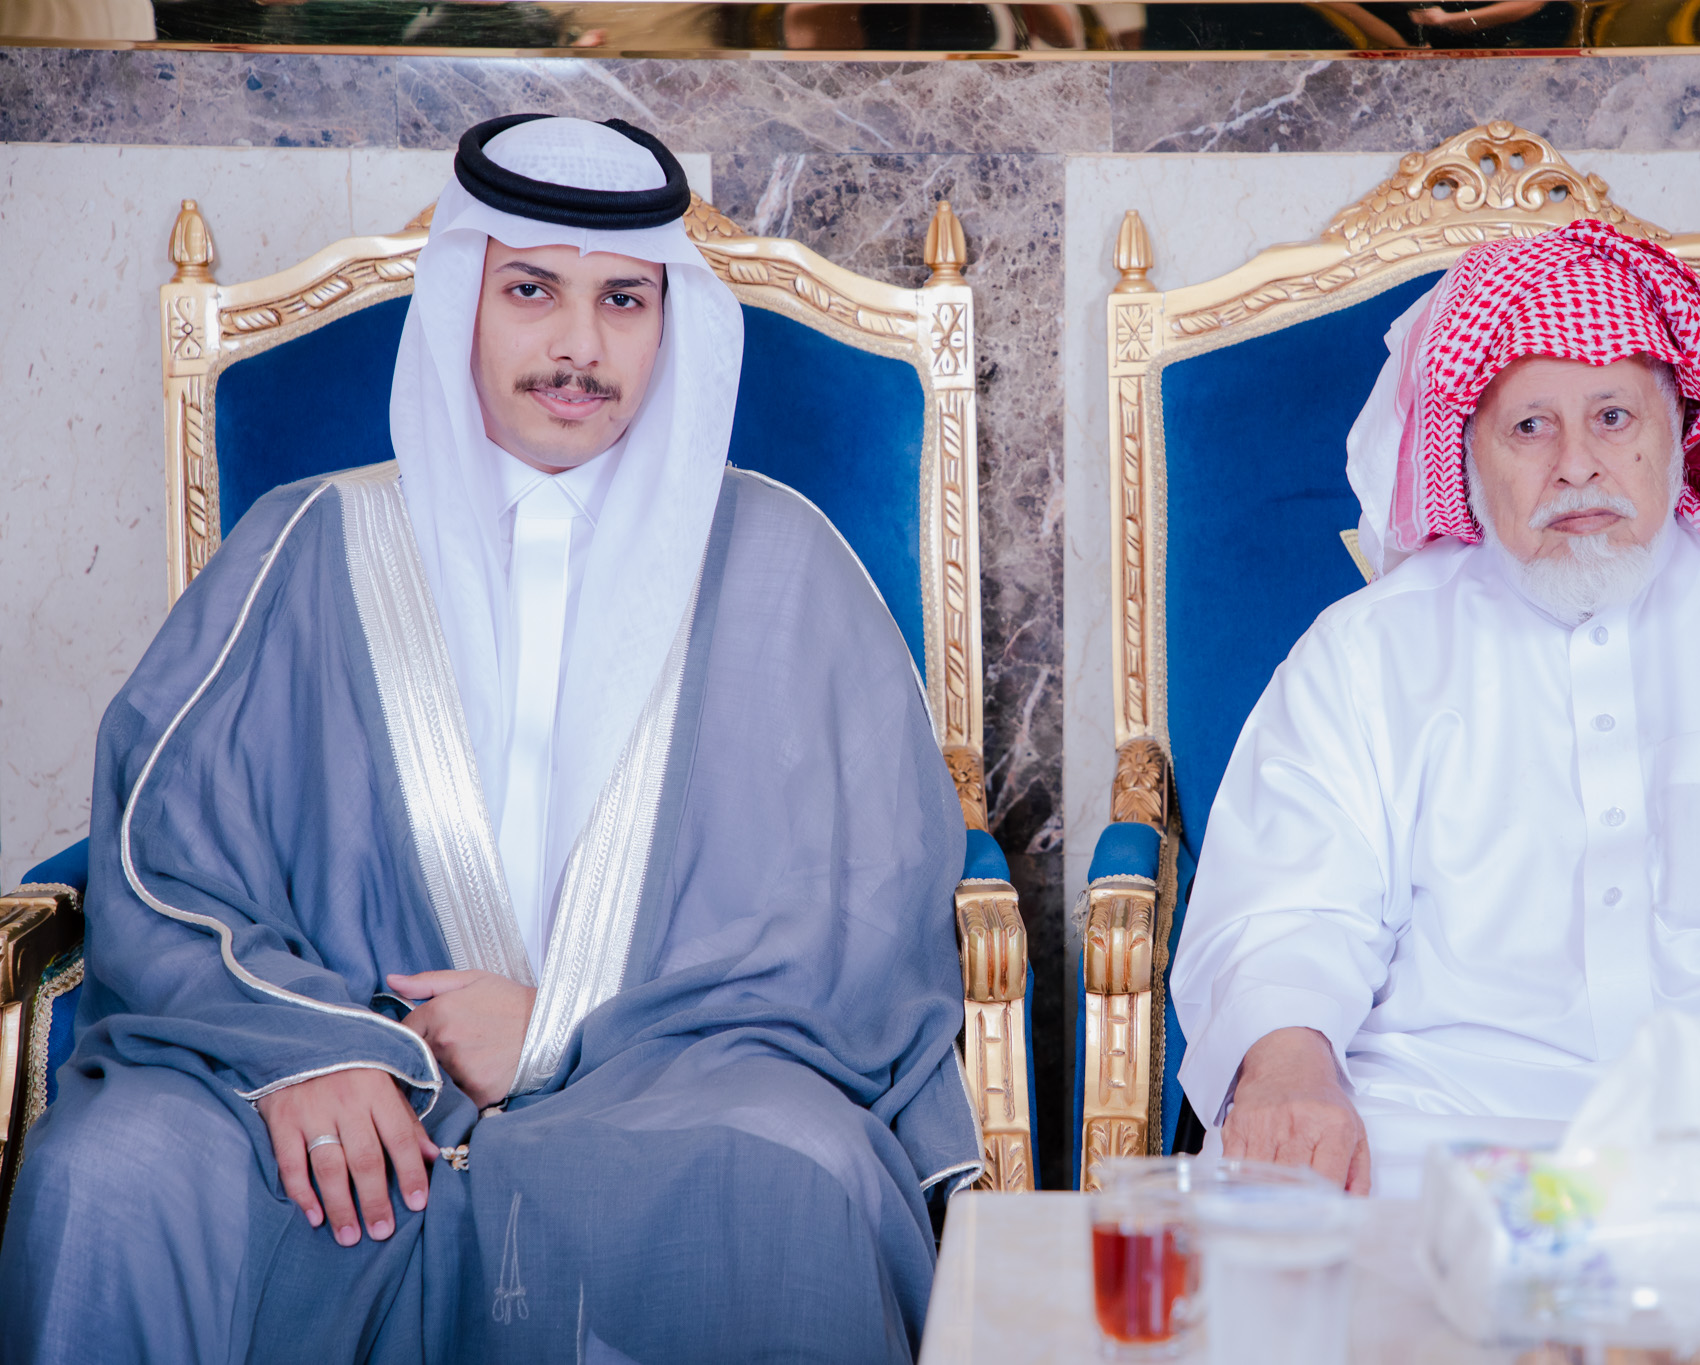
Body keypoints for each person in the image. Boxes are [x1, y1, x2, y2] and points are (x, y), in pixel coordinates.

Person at [0, 114, 978, 1364]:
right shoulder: (306, 545)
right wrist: (308, 1049)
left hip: (684, 1076)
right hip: (344, 1059)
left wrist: (561, 1025)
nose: (578, 345)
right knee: (115, 1175)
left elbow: (860, 912)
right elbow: (168, 859)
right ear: (462, 298)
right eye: (530, 290)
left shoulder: (783, 566)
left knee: (792, 1171)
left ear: (669, 320)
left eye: (622, 299)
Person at [1170, 218, 1700, 1199]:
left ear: (1679, 428)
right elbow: (1285, 913)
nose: (1577, 465)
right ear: (1467, 453)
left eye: (1614, 418)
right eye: (1529, 427)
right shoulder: (1366, 653)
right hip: (1454, 1142)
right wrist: (1289, 1070)